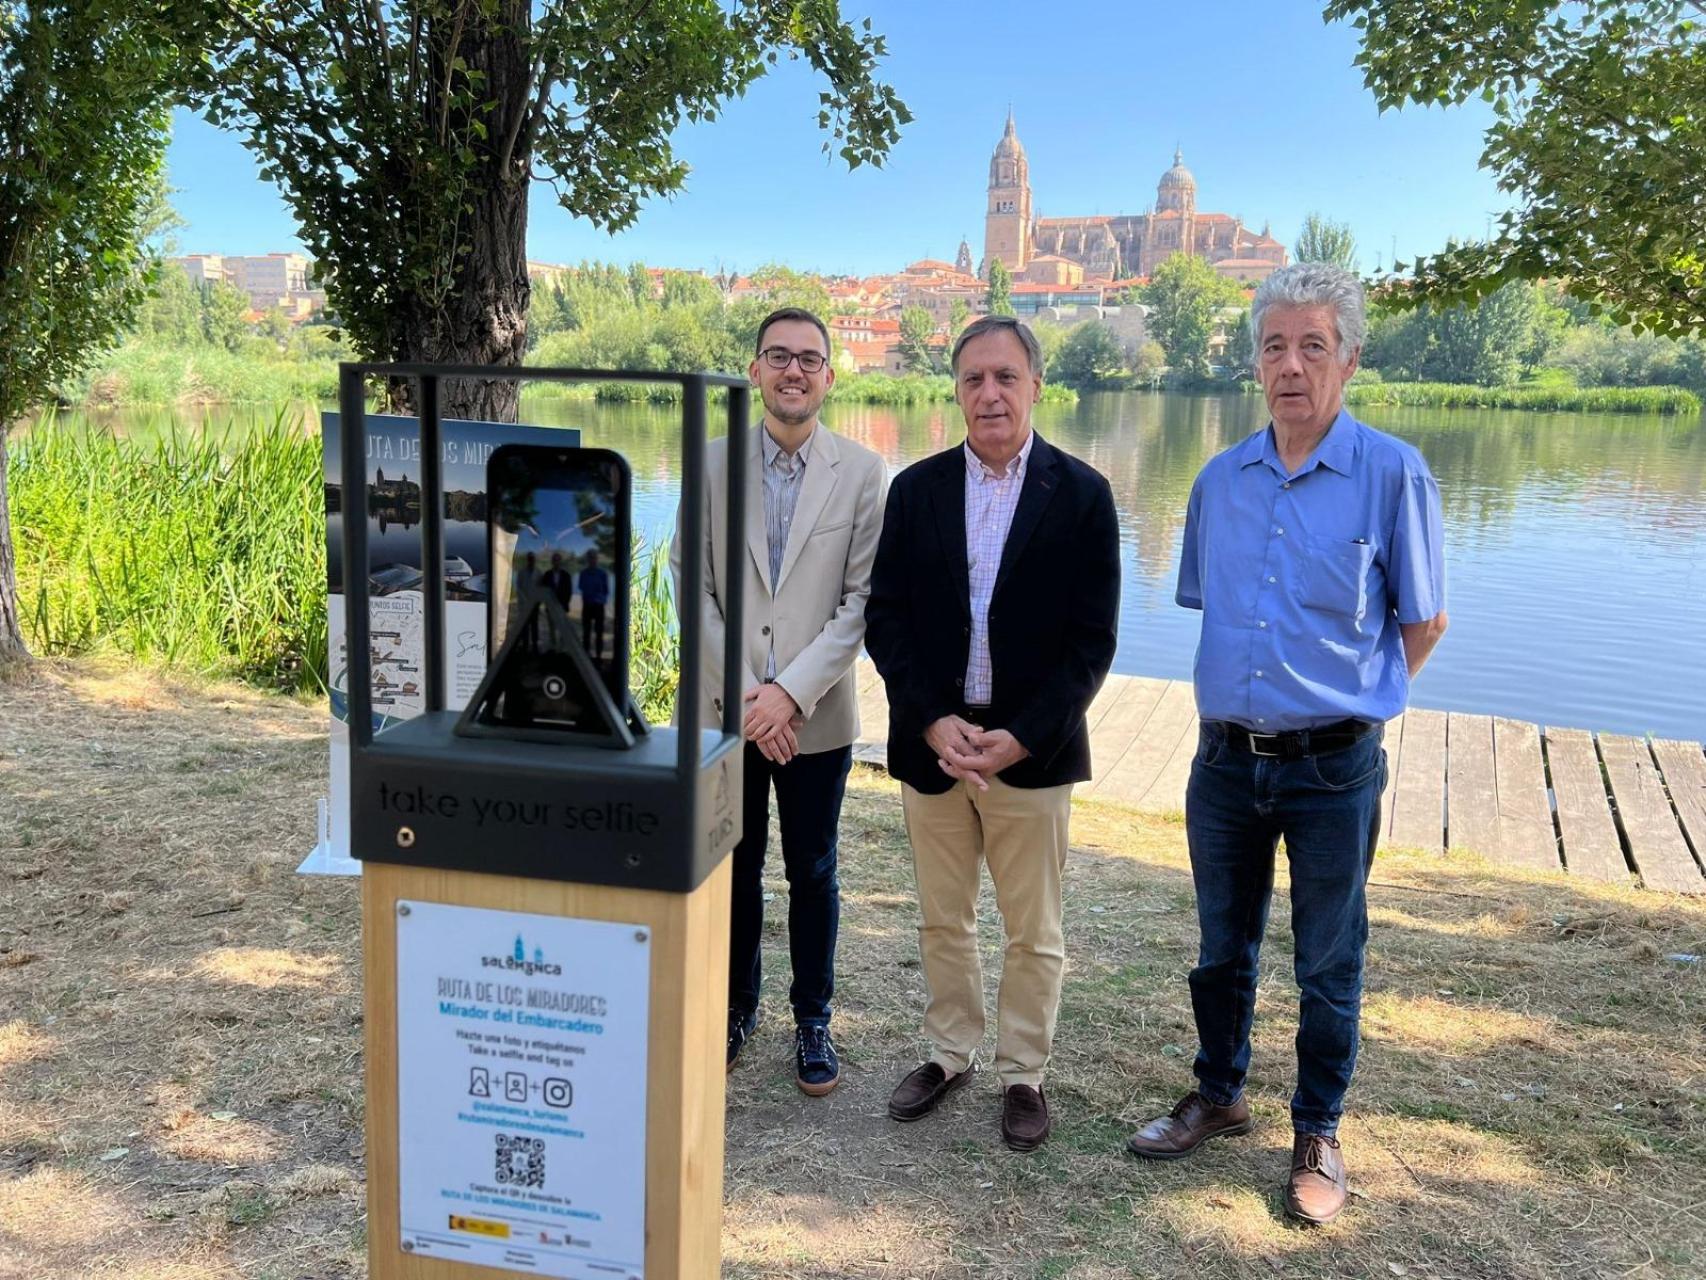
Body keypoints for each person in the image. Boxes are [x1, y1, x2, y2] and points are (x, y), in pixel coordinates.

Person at [1125, 263, 1448, 1225]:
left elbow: (1424, 622)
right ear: (1256, 364)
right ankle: (1219, 1093)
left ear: (1349, 359)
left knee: (1327, 959)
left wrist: (1353, 708)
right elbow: (1212, 608)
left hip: (1333, 769)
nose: (1292, 366)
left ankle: (1317, 1131)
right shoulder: (1218, 482)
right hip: (1224, 762)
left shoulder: (1394, 475)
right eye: (1275, 347)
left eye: (1313, 346)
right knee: (1220, 948)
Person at [865, 314, 1119, 1152]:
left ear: (1035, 385)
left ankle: (1023, 1073)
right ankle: (949, 1053)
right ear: (957, 390)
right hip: (933, 746)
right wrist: (930, 717)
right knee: (944, 919)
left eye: (1006, 376)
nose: (990, 393)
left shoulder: (1083, 495)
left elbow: (1092, 644)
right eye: (974, 378)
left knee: (1032, 930)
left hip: (1031, 754)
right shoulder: (916, 490)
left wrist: (1022, 735)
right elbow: (886, 620)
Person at [671, 306, 888, 1096]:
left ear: (829, 376)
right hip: (723, 714)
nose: (793, 370)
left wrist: (787, 696)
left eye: (808, 359)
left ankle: (813, 1018)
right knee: (733, 865)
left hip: (814, 720)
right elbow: (690, 586)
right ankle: (735, 1007)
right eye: (778, 356)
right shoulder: (710, 462)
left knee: (814, 869)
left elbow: (861, 603)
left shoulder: (863, 474)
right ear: (755, 370)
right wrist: (747, 696)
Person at [577, 549, 610, 660]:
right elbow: (581, 587)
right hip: (587, 606)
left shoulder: (602, 574)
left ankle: (598, 656)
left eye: (594, 558)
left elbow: (606, 590)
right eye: (590, 558)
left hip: (598, 606)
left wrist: (599, 599)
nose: (592, 560)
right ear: (588, 559)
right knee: (586, 632)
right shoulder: (583, 573)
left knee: (599, 632)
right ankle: (586, 656)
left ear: (596, 559)